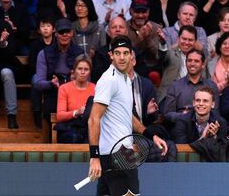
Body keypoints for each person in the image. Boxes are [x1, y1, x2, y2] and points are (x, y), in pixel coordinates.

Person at [88, 35, 168, 196]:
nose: (122, 57)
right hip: (116, 155)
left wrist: (151, 136)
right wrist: (94, 157)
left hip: (123, 153)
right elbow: (93, 119)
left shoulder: (125, 79)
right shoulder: (109, 80)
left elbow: (127, 116)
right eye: (117, 53)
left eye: (125, 53)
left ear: (131, 55)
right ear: (111, 55)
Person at [35, 18, 84, 122]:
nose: (64, 35)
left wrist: (76, 80)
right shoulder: (44, 53)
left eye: (67, 31)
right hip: (54, 92)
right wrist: (51, 83)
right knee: (50, 109)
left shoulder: (80, 53)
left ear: (72, 33)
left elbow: (88, 80)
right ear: (56, 34)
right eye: (61, 32)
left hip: (76, 91)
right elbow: (39, 83)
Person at [162, 49, 219, 124]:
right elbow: (167, 114)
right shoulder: (175, 86)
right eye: (189, 60)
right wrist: (182, 116)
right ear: (185, 63)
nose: (192, 64)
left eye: (196, 61)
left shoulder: (211, 86)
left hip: (205, 127)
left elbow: (216, 113)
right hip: (180, 127)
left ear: (203, 64)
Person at [0, 0, 21, 129]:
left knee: (8, 74)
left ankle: (12, 116)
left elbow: (10, 53)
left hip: (1, 64)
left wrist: (2, 43)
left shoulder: (4, 25)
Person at [55, 55, 95, 143]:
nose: (83, 72)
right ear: (74, 71)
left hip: (88, 128)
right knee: (73, 137)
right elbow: (60, 116)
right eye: (80, 69)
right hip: (69, 128)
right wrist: (77, 112)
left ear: (90, 72)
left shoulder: (95, 89)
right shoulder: (64, 88)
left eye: (86, 69)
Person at [157, 25, 202, 103]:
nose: (187, 42)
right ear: (178, 38)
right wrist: (163, 43)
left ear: (195, 41)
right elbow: (162, 57)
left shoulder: (199, 58)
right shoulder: (171, 53)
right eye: (184, 39)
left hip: (193, 98)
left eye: (190, 40)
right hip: (169, 97)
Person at [28, 17, 56, 128]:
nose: (45, 29)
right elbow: (31, 64)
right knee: (36, 79)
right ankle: (37, 110)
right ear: (39, 30)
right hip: (40, 74)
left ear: (53, 29)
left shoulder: (57, 43)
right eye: (43, 26)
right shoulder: (35, 45)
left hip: (55, 74)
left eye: (48, 26)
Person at [126, 0, 163, 77]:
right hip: (128, 67)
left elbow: (157, 55)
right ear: (130, 11)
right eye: (137, 12)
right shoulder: (124, 27)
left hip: (151, 68)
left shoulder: (156, 28)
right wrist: (139, 40)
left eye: (144, 12)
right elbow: (126, 54)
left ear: (148, 12)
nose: (140, 15)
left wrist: (147, 38)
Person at [91, 15, 128, 83]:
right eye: (114, 27)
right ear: (108, 32)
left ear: (127, 31)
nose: (117, 29)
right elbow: (96, 78)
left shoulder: (135, 53)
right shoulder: (100, 54)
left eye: (121, 27)